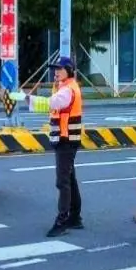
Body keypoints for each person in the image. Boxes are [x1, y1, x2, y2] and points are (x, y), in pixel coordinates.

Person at [27, 56, 84, 237]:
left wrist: (27, 98)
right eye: (55, 68)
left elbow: (50, 103)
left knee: (63, 181)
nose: (56, 72)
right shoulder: (63, 87)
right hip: (64, 139)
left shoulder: (68, 90)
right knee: (69, 178)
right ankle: (75, 217)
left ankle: (62, 221)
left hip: (66, 140)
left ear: (69, 71)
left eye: (60, 69)